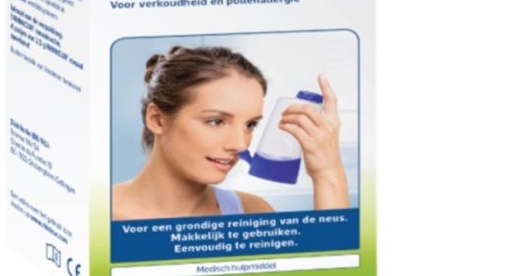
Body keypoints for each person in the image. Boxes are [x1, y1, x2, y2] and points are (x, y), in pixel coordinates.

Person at [112, 45, 349, 219]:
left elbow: (335, 269)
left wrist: (327, 173)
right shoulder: (101, 217)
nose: (240, 145)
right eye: (216, 121)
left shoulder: (252, 213)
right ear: (157, 120)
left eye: (250, 125)